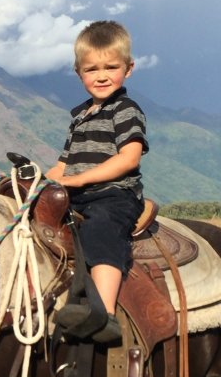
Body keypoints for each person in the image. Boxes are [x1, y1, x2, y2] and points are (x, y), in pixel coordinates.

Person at [46, 20, 148, 344]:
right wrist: (34, 182)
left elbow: (129, 158)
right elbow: (64, 164)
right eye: (92, 69)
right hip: (78, 194)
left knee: (101, 227)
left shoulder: (126, 110)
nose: (101, 76)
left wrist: (82, 178)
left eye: (111, 67)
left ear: (128, 69)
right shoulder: (79, 116)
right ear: (79, 73)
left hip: (114, 194)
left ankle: (103, 314)